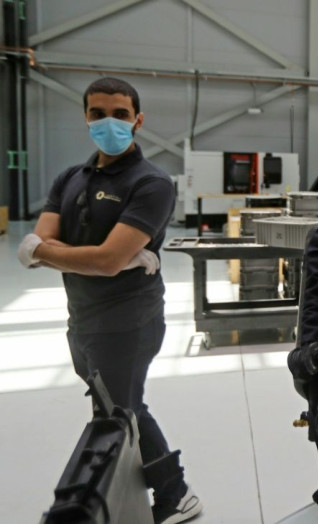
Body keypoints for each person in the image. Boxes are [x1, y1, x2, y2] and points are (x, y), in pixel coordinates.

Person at [17, 77, 203, 524]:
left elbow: (55, 252)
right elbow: (41, 244)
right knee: (113, 409)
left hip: (129, 321)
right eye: (98, 113)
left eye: (120, 114)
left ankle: (175, 493)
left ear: (138, 120)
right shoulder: (70, 179)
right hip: (80, 317)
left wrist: (67, 255)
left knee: (123, 409)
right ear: (85, 118)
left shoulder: (152, 182)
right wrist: (98, 256)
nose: (109, 122)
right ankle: (128, 495)